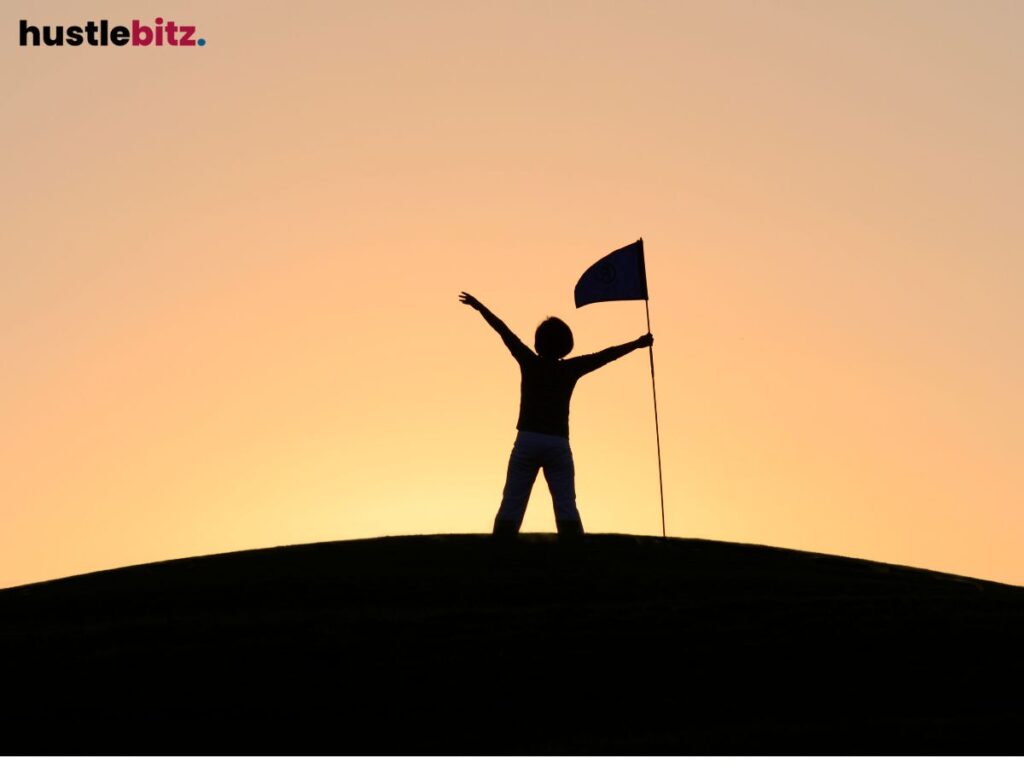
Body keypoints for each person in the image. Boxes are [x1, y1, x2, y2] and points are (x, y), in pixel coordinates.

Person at [459, 291, 653, 539]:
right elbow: (606, 355)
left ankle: (500, 552)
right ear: (566, 345)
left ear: (539, 342)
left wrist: (478, 306)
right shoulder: (570, 369)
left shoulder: (529, 361)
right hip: (557, 442)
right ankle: (573, 555)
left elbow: (503, 331)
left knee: (512, 501)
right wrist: (637, 343)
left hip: (527, 439)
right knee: (565, 503)